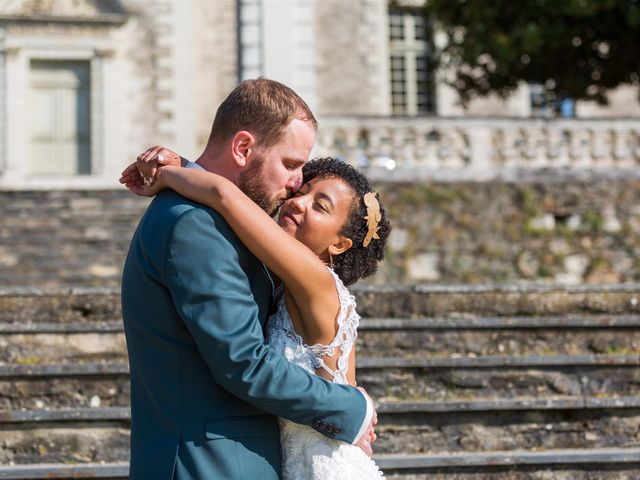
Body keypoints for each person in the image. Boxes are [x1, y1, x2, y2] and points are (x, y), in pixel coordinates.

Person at [119, 79, 377, 479]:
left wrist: (179, 169)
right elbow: (243, 361)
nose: (295, 189)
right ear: (242, 148)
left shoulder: (223, 225)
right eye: (291, 166)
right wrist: (352, 408)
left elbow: (224, 195)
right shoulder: (195, 226)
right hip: (209, 465)